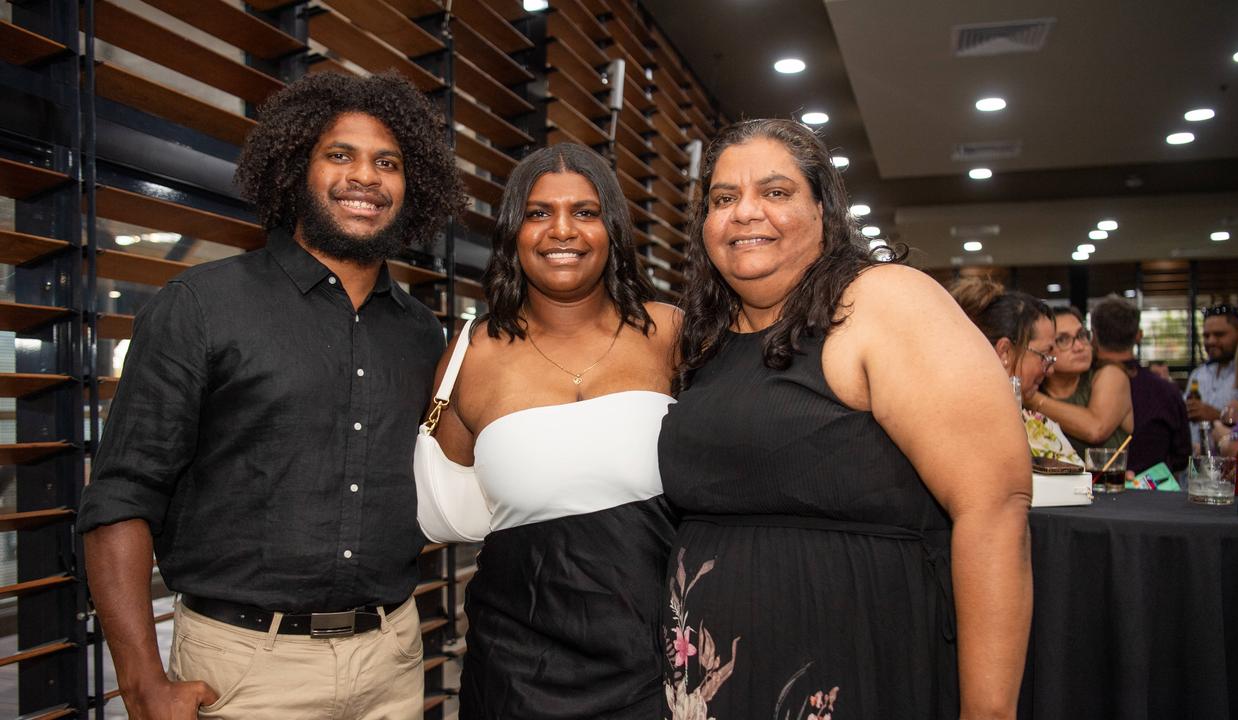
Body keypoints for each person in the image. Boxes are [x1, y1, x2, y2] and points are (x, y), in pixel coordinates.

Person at [77, 72, 465, 719]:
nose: (365, 177)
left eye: (387, 162)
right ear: (294, 169)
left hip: (392, 657)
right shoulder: (202, 306)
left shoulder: (423, 334)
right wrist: (142, 681)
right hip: (244, 669)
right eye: (339, 154)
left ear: (412, 183)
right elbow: (120, 496)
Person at [660, 119, 1031, 719]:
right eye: (724, 198)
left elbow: (993, 505)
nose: (745, 212)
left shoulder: (881, 301)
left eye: (776, 193)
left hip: (857, 668)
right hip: (712, 683)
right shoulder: (704, 340)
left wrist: (988, 713)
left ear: (826, 212)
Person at [430, 143, 681, 718]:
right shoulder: (471, 354)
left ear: (612, 229)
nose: (561, 231)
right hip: (516, 669)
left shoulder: (672, 334)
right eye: (539, 213)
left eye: (585, 212)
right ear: (514, 232)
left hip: (660, 656)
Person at [951, 278, 1083, 467]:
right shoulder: (971, 426)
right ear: (1004, 352)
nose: (1050, 370)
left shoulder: (1034, 425)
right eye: (1044, 356)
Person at [1089, 295, 1190, 473]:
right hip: (1153, 494)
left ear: (1094, 337)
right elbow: (1182, 455)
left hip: (1094, 489)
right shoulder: (1166, 391)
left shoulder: (1081, 386)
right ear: (1139, 336)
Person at [1029, 306, 1133, 456]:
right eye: (1063, 339)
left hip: (1107, 480)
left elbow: (1096, 429)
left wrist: (1031, 399)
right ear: (1043, 348)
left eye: (1081, 335)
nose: (1079, 346)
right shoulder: (1034, 384)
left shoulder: (1111, 374)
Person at [1185, 303, 1238, 425]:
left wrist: (1217, 415)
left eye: (1219, 334)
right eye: (1206, 335)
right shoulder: (1198, 375)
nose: (1211, 341)